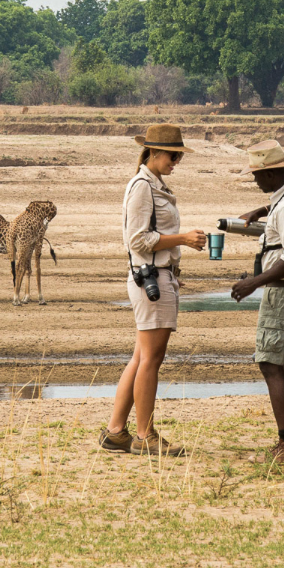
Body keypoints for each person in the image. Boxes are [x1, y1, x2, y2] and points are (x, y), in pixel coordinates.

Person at [102, 124, 207, 456]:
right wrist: (183, 240)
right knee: (151, 359)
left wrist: (174, 266)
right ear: (155, 152)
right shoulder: (143, 187)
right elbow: (137, 240)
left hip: (158, 277)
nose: (176, 162)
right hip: (151, 280)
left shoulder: (152, 185)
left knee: (141, 357)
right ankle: (144, 436)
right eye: (173, 156)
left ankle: (116, 431)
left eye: (178, 156)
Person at [230, 140, 284, 465]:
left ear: (271, 174)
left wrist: (254, 282)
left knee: (270, 364)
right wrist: (262, 210)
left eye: (257, 176)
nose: (255, 181)